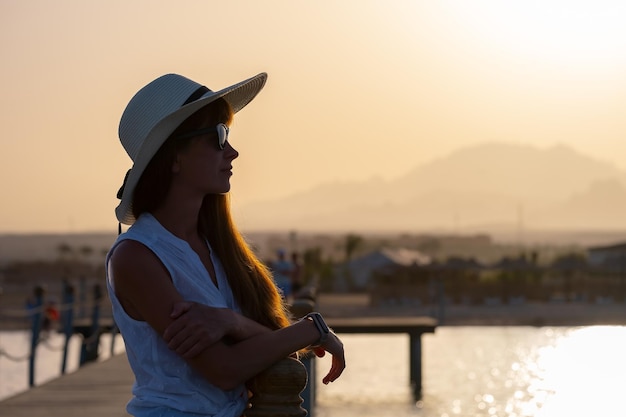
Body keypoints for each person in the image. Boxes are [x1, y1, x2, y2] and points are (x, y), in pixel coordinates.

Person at [106, 72, 345, 417]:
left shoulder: (216, 248)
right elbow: (223, 369)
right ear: (173, 156)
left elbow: (265, 345)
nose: (232, 151)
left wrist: (231, 322)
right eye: (219, 136)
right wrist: (311, 330)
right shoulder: (135, 256)